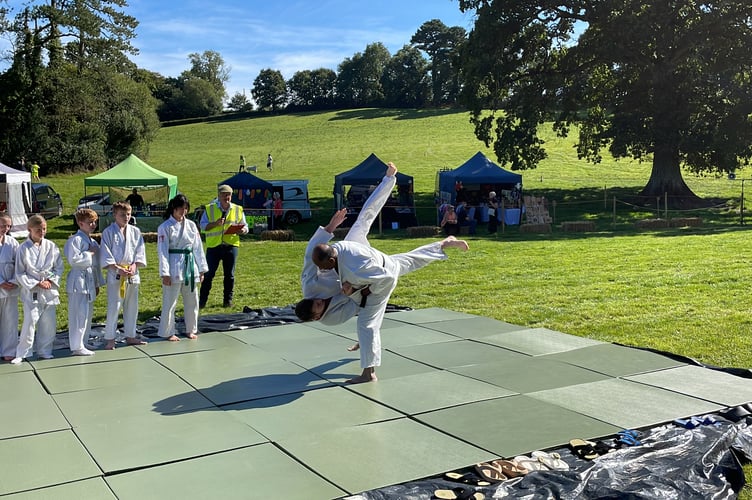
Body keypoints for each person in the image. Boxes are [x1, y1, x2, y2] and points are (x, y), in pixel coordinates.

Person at [311, 235, 469, 384]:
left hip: (383, 281)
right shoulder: (339, 247)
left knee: (366, 324)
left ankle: (369, 373)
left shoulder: (355, 269)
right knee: (414, 258)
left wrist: (368, 291)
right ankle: (444, 244)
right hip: (385, 262)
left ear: (332, 259)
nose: (322, 270)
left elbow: (388, 278)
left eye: (323, 266)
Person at [297, 162, 400, 329]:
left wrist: (331, 226)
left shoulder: (309, 287)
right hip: (360, 280)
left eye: (314, 300)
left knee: (362, 221)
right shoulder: (332, 319)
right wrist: (352, 293)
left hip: (343, 257)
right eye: (318, 305)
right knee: (396, 265)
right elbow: (358, 306)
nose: (318, 300)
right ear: (317, 317)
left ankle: (389, 178)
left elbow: (311, 254)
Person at [12, 215, 63, 364]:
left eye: (44, 229)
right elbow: (20, 272)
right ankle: (23, 352)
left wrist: (49, 280)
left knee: (49, 322)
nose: (42, 232)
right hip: (32, 290)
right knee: (30, 321)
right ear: (30, 230)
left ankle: (45, 350)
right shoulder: (23, 248)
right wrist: (36, 283)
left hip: (49, 289)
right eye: (38, 230)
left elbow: (57, 267)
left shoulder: (51, 246)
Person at [157, 194, 208, 342]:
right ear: (174, 208)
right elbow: (162, 251)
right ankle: (168, 332)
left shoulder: (191, 225)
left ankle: (191, 329)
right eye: (181, 208)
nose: (183, 212)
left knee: (193, 300)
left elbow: (197, 247)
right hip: (173, 265)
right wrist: (165, 273)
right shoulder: (165, 227)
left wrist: (201, 269)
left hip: (190, 264)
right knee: (170, 301)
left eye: (186, 209)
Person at [100, 201, 147, 350]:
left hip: (132, 274)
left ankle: (131, 336)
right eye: (122, 214)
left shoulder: (135, 231)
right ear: (114, 215)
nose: (126, 217)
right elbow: (105, 253)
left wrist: (134, 266)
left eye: (128, 214)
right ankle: (110, 339)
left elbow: (140, 251)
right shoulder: (108, 232)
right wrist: (116, 268)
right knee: (114, 306)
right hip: (116, 274)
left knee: (132, 306)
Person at [199, 184, 249, 308]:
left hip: (231, 246)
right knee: (208, 275)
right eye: (224, 195)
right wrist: (215, 224)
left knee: (230, 275)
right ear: (219, 196)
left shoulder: (238, 209)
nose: (226, 197)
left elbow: (245, 226)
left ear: (231, 196)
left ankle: (228, 301)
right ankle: (202, 302)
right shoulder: (209, 209)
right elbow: (202, 226)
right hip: (214, 247)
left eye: (228, 195)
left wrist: (243, 230)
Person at [64, 209, 104, 356]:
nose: (93, 225)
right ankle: (76, 346)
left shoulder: (92, 241)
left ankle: (83, 341)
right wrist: (90, 253)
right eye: (90, 222)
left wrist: (98, 283)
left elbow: (97, 264)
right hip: (78, 280)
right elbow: (73, 260)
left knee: (87, 313)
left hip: (90, 278)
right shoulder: (75, 240)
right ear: (80, 223)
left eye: (94, 222)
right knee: (78, 313)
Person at [0, 212, 20, 361]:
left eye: (8, 226)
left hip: (11, 286)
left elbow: (20, 264)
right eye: (2, 225)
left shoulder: (12, 242)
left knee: (10, 320)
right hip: (1, 283)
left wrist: (13, 280)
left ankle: (9, 350)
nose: (5, 228)